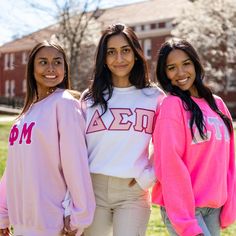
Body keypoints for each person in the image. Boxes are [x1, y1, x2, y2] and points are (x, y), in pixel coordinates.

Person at [0, 40, 95, 236]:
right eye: (43, 62)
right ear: (32, 69)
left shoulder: (65, 104)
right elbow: (12, 169)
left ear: (65, 69)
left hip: (52, 222)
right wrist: (3, 214)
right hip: (23, 223)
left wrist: (79, 215)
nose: (51, 68)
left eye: (57, 62)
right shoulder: (25, 114)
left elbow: (75, 163)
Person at [79, 23, 165, 236]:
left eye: (125, 50)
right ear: (103, 58)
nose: (119, 58)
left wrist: (147, 177)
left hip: (132, 192)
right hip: (93, 189)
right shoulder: (89, 98)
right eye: (111, 52)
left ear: (136, 54)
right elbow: (76, 147)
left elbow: (165, 144)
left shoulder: (154, 97)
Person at [152, 38, 236, 236]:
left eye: (186, 64)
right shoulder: (172, 105)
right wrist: (186, 222)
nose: (180, 73)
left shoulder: (217, 104)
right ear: (165, 73)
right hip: (185, 210)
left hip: (213, 207)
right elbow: (170, 164)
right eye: (172, 67)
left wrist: (229, 205)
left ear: (196, 64)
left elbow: (229, 160)